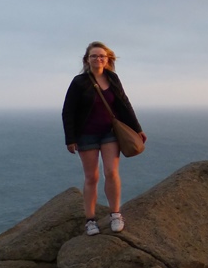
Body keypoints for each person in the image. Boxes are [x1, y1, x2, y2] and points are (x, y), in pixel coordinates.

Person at [62, 41, 146, 236]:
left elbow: (124, 103)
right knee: (92, 177)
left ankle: (115, 214)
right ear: (87, 60)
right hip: (86, 135)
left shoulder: (113, 78)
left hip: (110, 133)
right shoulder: (79, 82)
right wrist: (70, 138)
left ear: (108, 59)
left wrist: (137, 128)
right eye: (94, 56)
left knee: (111, 172)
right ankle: (90, 220)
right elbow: (68, 111)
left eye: (102, 56)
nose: (98, 59)